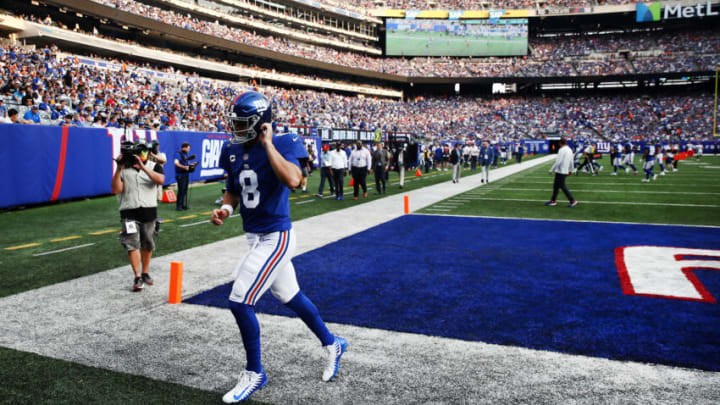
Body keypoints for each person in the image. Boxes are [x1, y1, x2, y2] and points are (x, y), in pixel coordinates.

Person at [211, 92, 347, 403]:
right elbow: (233, 190)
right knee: (290, 295)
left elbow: (294, 179)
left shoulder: (284, 142)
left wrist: (268, 144)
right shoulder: (231, 149)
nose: (236, 128)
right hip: (253, 236)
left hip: (276, 235)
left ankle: (255, 372)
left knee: (240, 300)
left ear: (261, 124)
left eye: (244, 123)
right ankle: (332, 343)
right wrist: (226, 210)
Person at [111, 140, 165, 291]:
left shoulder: (154, 166)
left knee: (148, 244)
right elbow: (115, 190)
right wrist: (118, 168)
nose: (140, 155)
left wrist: (142, 167)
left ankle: (145, 272)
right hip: (129, 213)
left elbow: (160, 180)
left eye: (143, 152)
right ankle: (137, 276)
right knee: (132, 244)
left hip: (149, 211)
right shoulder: (123, 169)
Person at [545, 138, 578, 208]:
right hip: (565, 170)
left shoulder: (561, 150)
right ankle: (553, 200)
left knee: (562, 186)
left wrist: (551, 169)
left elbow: (558, 161)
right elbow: (572, 161)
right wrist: (571, 170)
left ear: (560, 143)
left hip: (560, 171)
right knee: (556, 186)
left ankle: (572, 200)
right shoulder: (569, 150)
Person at [174, 142, 193, 210]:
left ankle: (182, 205)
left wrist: (192, 165)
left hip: (185, 175)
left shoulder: (185, 155)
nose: (189, 150)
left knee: (184, 190)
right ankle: (178, 206)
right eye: (188, 148)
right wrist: (184, 167)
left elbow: (186, 164)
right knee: (181, 190)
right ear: (184, 147)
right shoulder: (178, 153)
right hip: (180, 175)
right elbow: (176, 163)